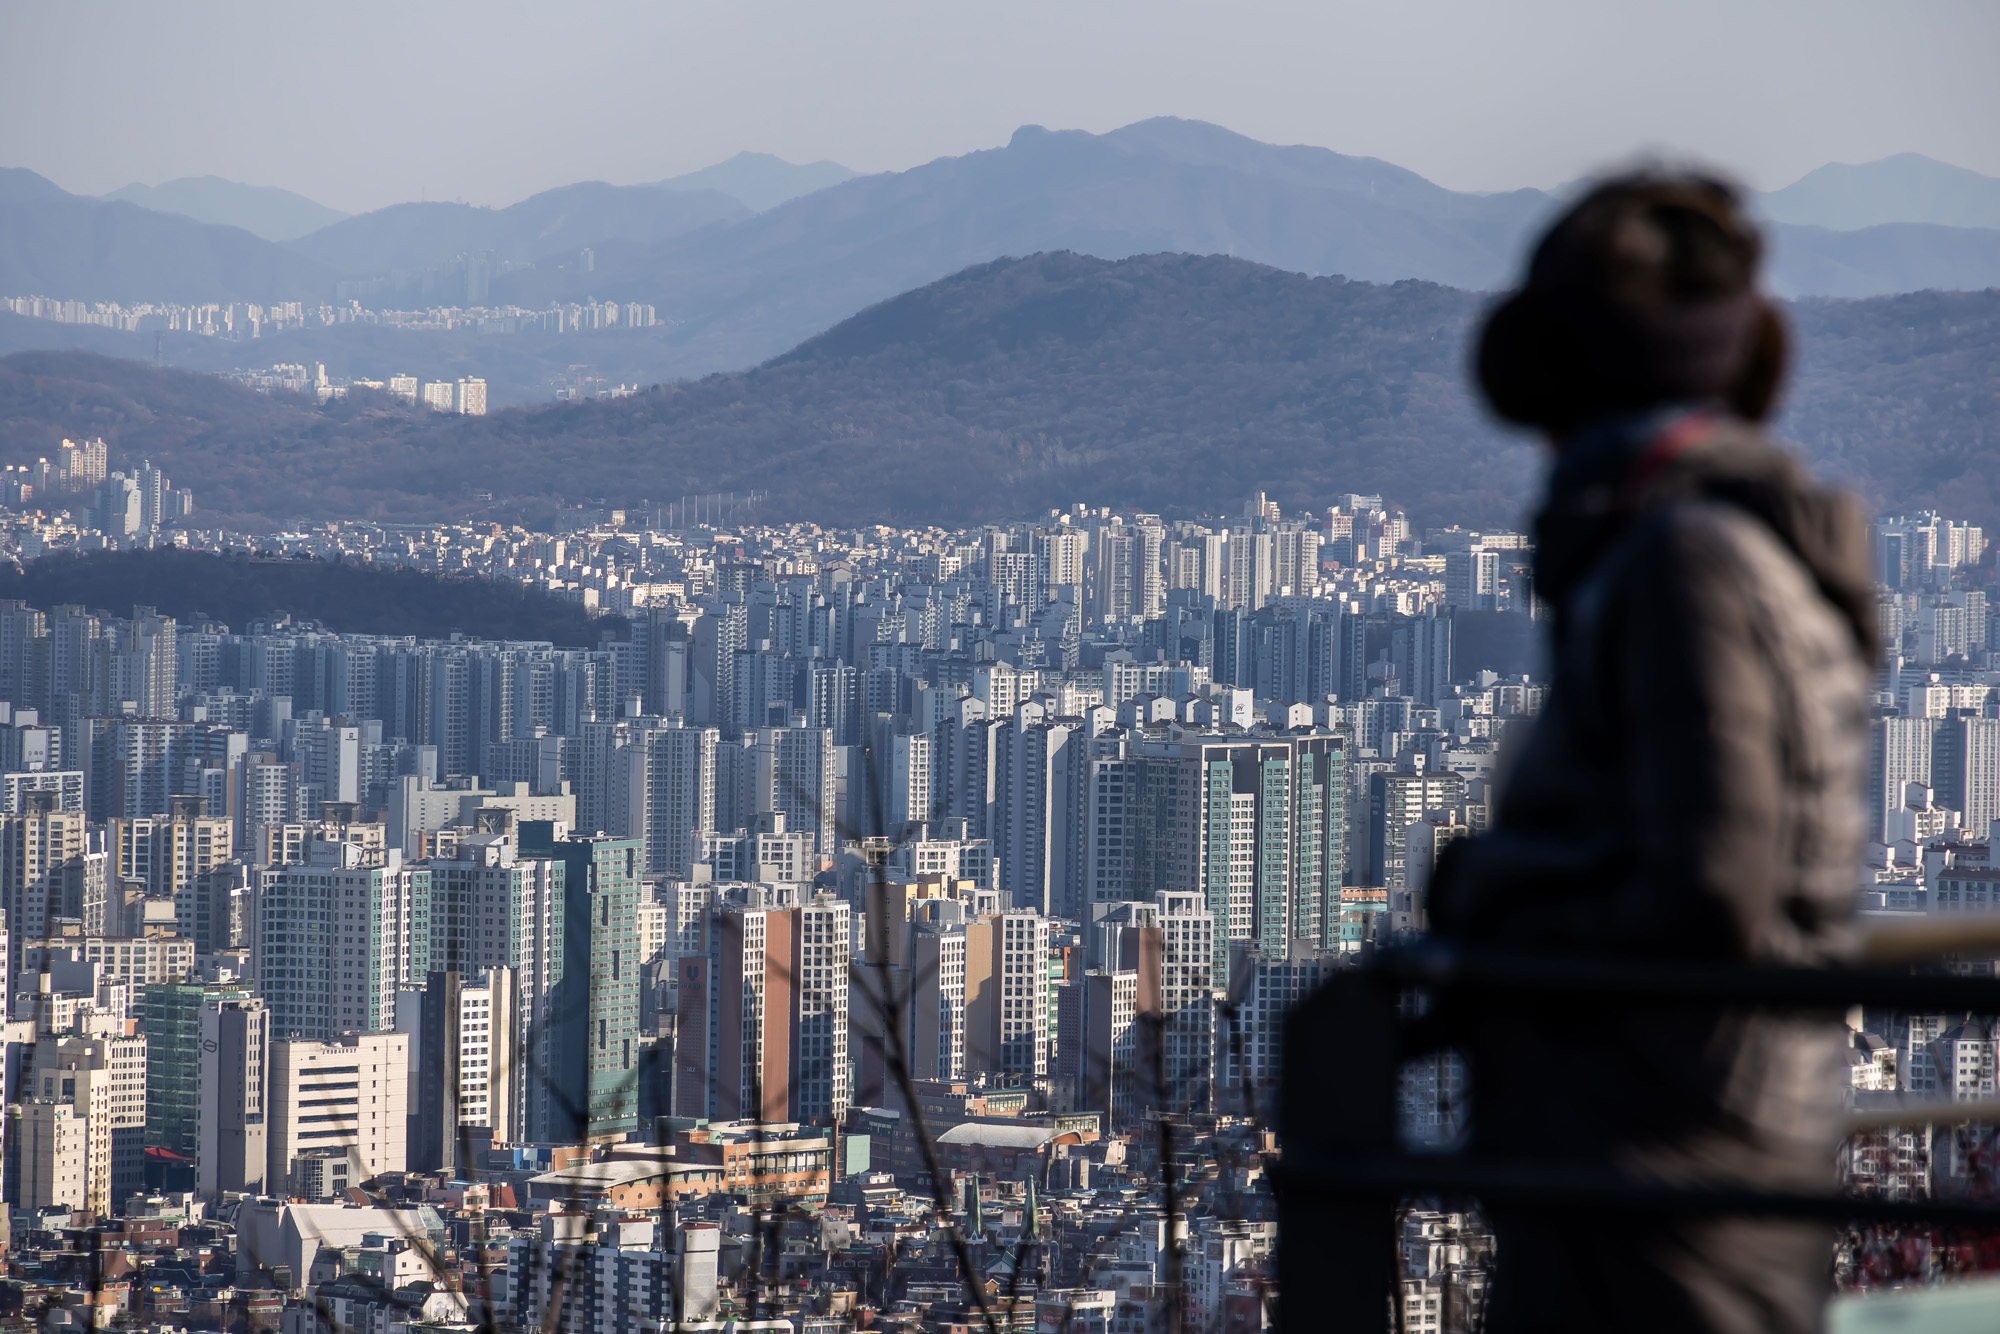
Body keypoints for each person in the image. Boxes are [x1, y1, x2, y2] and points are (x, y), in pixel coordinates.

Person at [1427, 173, 1877, 1332]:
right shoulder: (1707, 544)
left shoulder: (1685, 560)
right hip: (1689, 1128)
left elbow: (1710, 884)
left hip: (1666, 1149)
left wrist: (1496, 894)